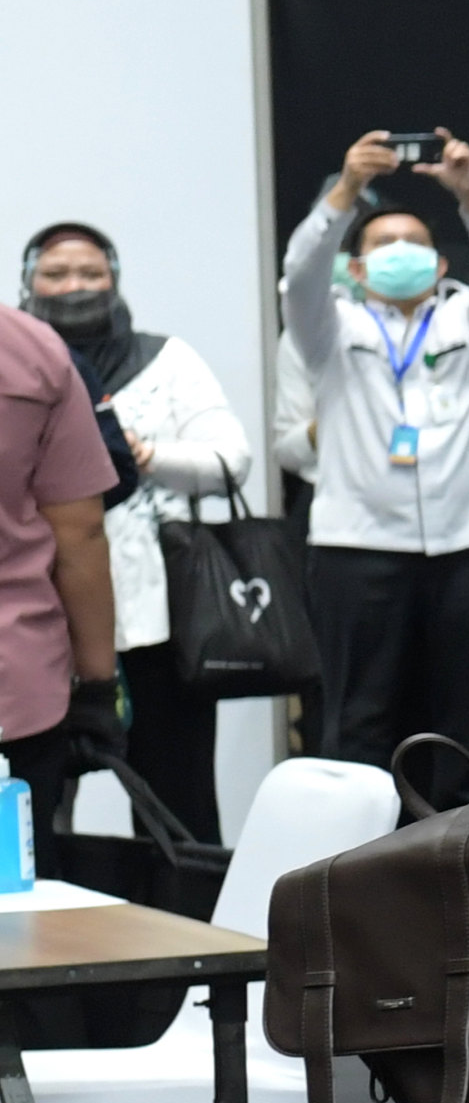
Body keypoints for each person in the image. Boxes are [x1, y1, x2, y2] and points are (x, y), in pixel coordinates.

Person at [282, 131, 469, 776]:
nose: (400, 253)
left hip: (468, 545)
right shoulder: (330, 330)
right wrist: (344, 191)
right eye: (382, 244)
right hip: (356, 548)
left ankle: (463, 865)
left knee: (466, 721)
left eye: (416, 244)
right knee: (360, 720)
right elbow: (300, 276)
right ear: (356, 269)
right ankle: (356, 866)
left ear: (441, 264)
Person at [20, 225, 251, 837]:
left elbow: (232, 460)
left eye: (90, 274)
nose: (74, 287)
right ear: (27, 283)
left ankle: (187, 928)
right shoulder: (18, 364)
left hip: (160, 623)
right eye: (57, 274)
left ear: (115, 280)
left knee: (177, 804)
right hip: (42, 627)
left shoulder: (165, 358)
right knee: (38, 814)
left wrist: (138, 454)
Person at [0, 289, 119, 829]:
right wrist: (98, 685)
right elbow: (81, 533)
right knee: (19, 897)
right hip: (14, 686)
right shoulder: (30, 349)